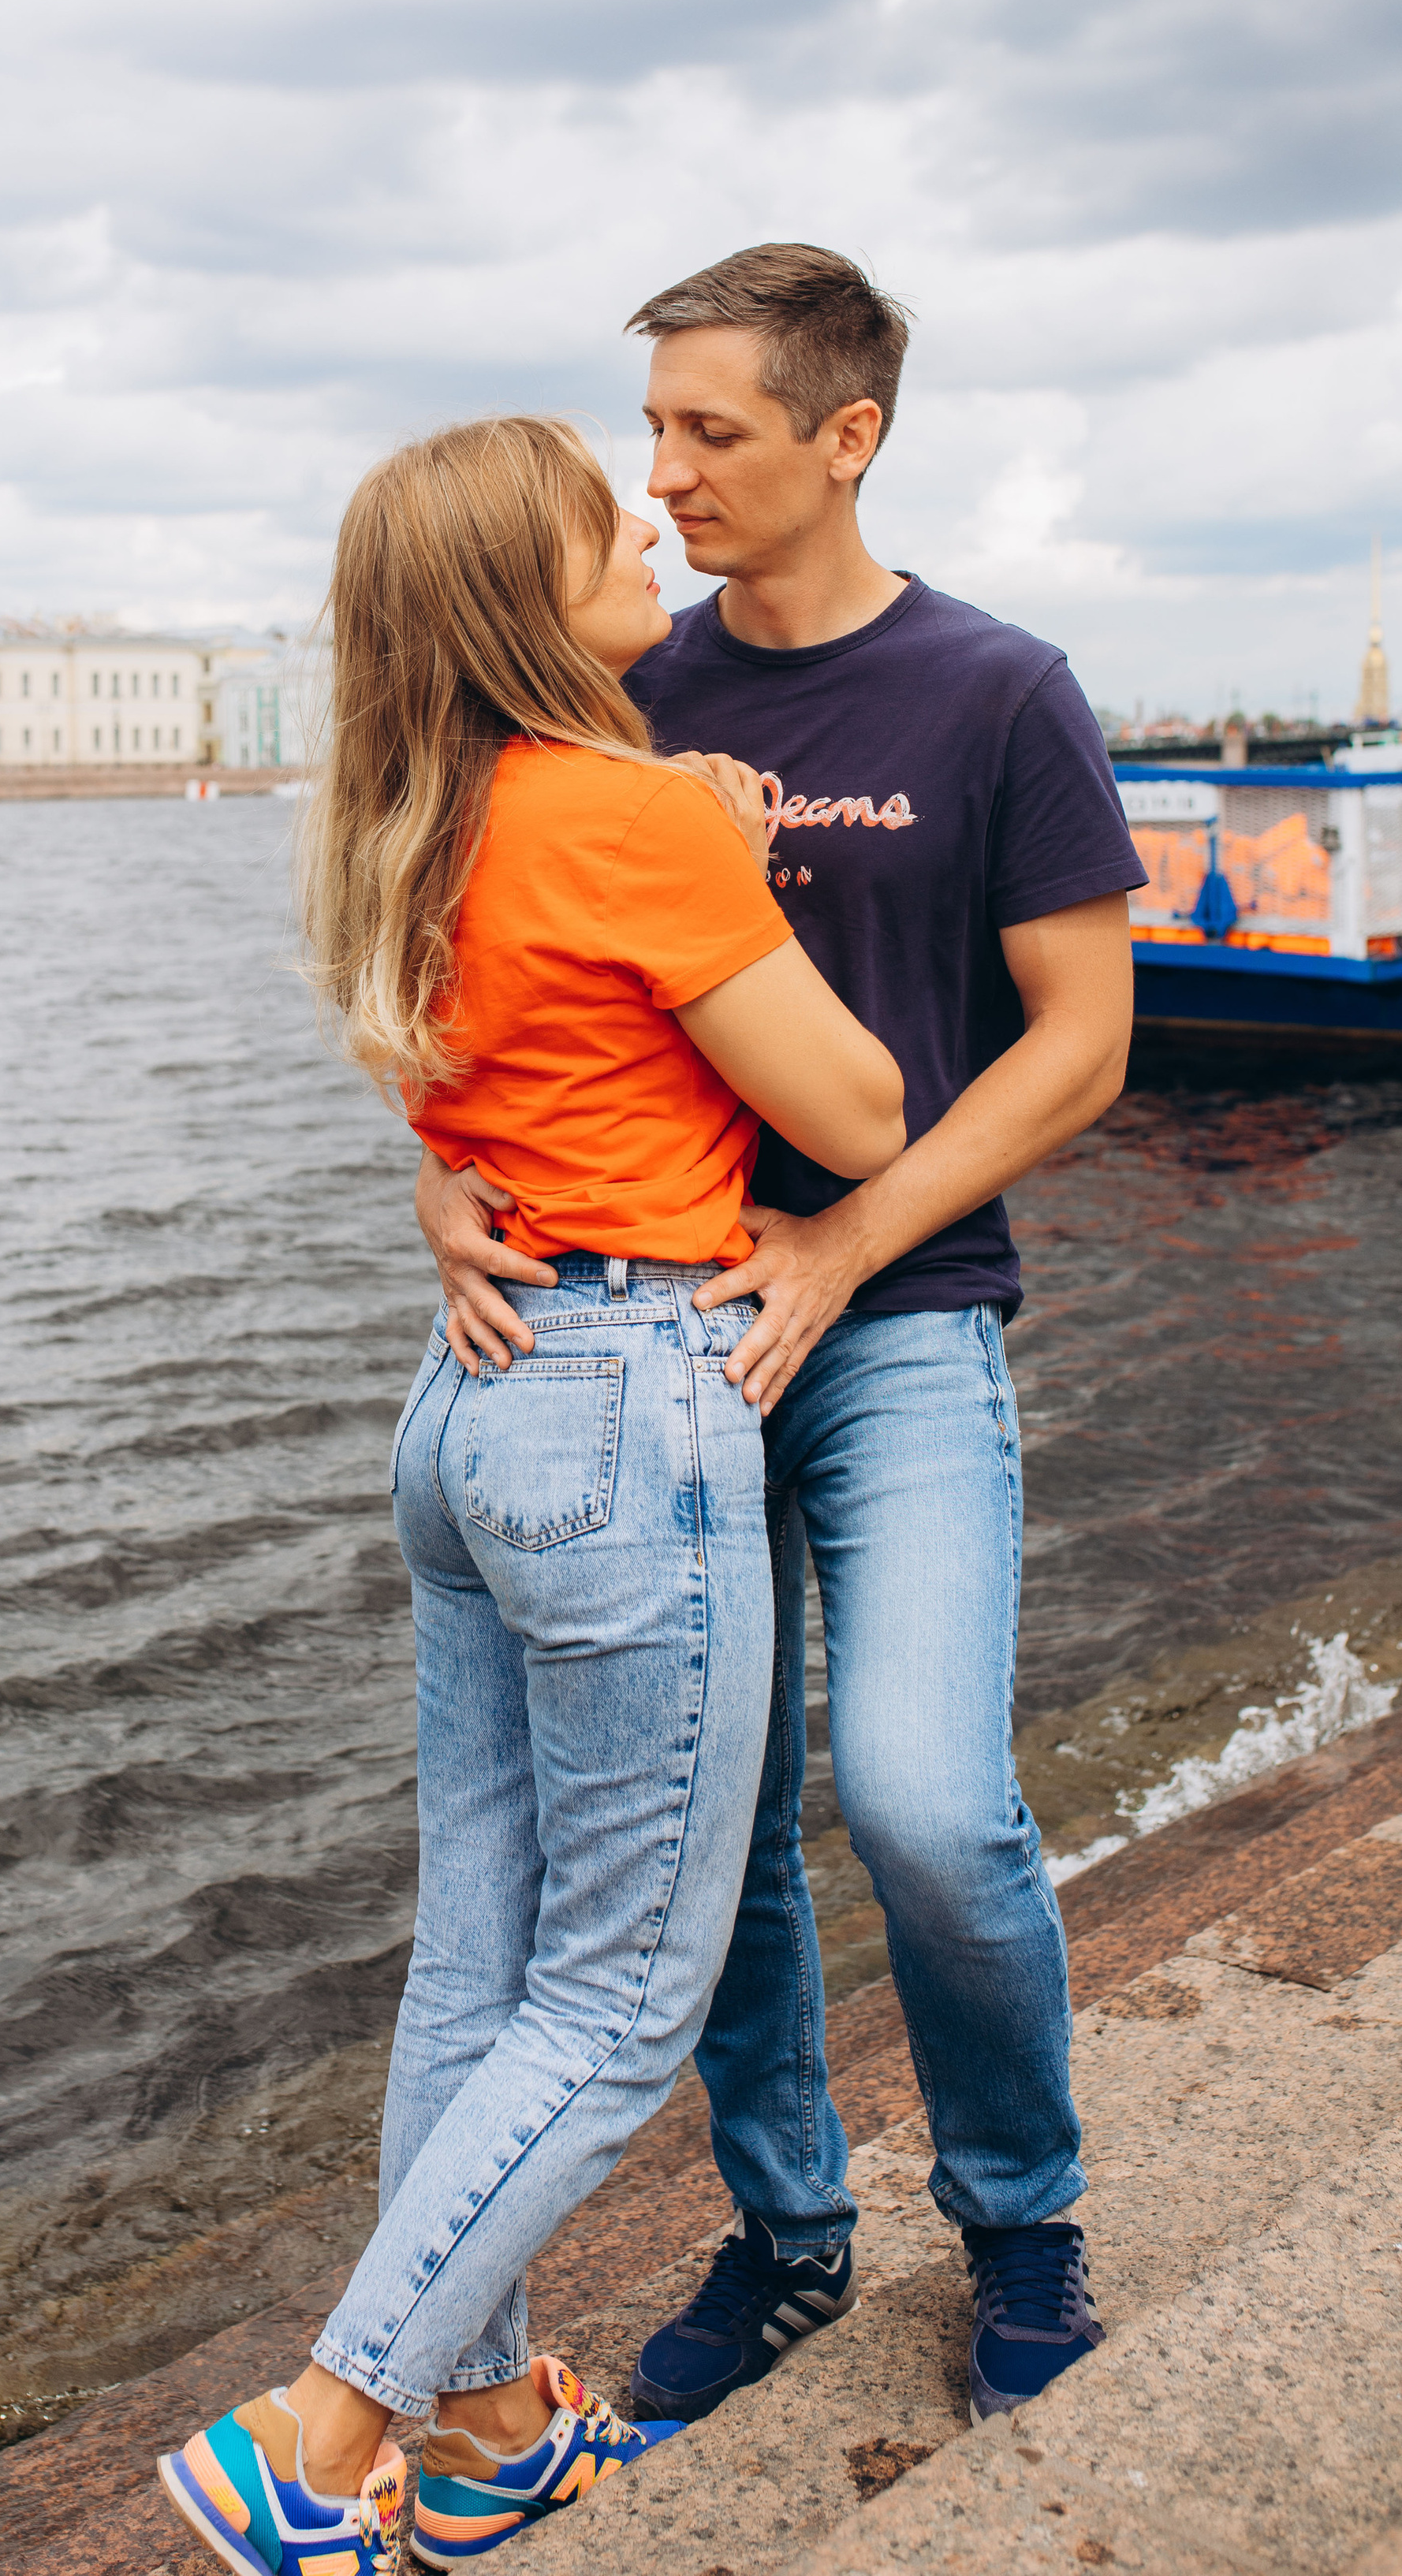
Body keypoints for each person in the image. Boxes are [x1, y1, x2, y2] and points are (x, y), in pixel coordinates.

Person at [158, 415, 904, 2576]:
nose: (647, 517)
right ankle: (318, 2436)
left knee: (475, 1967)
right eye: (606, 514)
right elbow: (852, 1110)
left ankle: (484, 2427)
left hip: (471, 1411)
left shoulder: (411, 813)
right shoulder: (637, 820)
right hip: (624, 1410)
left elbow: (478, 1095)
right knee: (611, 2007)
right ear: (527, 591)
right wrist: (734, 862)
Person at [416, 248, 1145, 2433]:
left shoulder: (998, 691)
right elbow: (492, 971)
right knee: (707, 1847)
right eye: (647, 435)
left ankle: (1021, 2210)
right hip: (641, 1349)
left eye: (710, 432)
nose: (663, 478)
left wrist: (839, 1248)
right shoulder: (623, 689)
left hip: (898, 1324)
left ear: (851, 437)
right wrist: (438, 1180)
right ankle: (791, 2229)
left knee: (924, 1800)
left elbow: (1084, 1042)